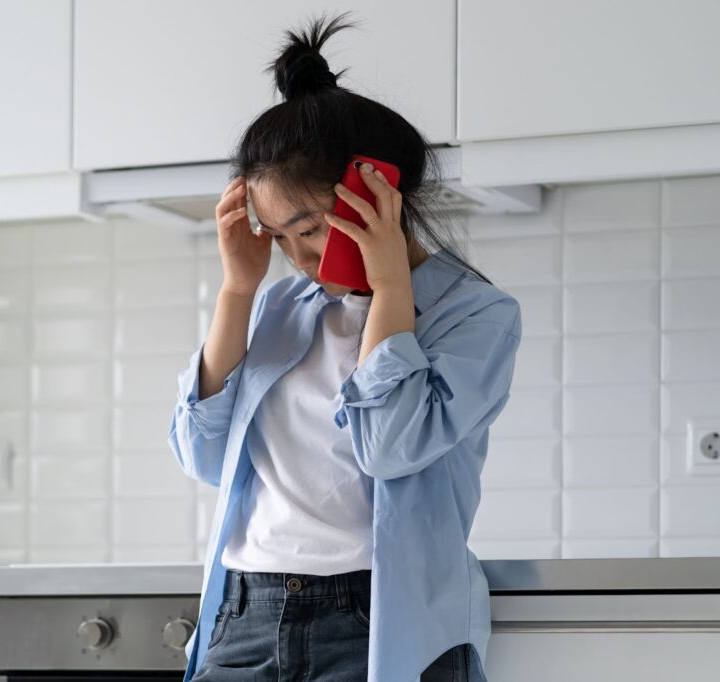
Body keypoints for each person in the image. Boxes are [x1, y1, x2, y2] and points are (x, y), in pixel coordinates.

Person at [168, 11, 522, 682]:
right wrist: (237, 291)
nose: (299, 259)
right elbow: (203, 454)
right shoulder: (278, 306)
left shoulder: (475, 316)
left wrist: (389, 283)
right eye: (278, 238)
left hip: (377, 618)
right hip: (245, 612)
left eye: (309, 229)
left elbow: (390, 446)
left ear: (377, 195)